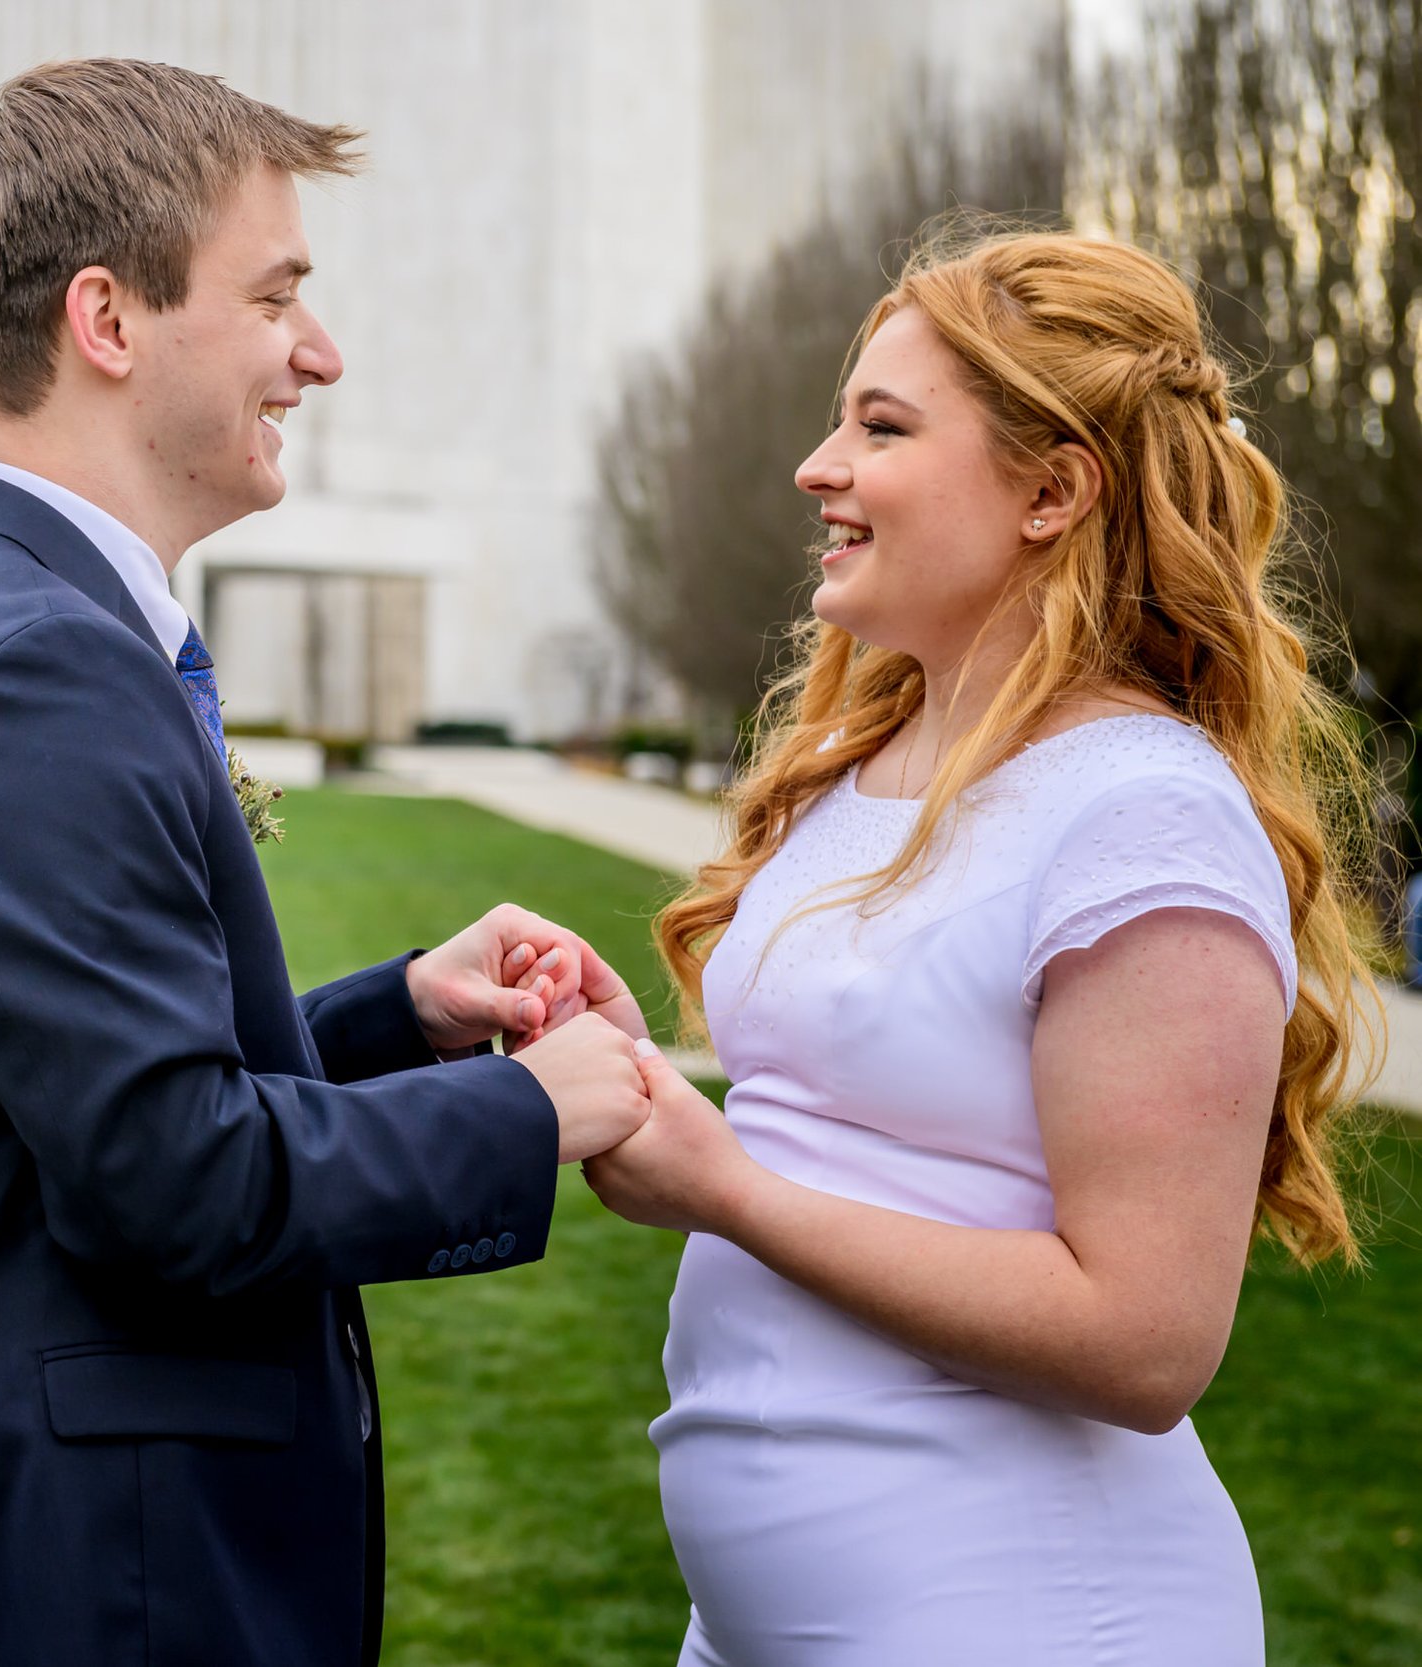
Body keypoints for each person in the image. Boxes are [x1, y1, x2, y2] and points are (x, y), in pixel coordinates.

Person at [0, 59, 654, 1666]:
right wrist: (531, 1112)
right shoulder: (39, 668)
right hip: (90, 1588)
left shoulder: (0, 624)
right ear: (108, 321)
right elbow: (173, 1183)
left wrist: (400, 1016)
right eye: (275, 296)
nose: (319, 353)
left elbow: (81, 1103)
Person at [574, 229, 1381, 1664]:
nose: (817, 468)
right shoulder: (863, 761)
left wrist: (726, 1190)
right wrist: (633, 1082)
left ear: (1051, 493)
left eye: (881, 429)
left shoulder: (1140, 817)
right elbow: (855, 1124)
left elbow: (1146, 1341)